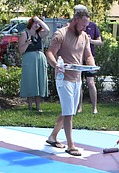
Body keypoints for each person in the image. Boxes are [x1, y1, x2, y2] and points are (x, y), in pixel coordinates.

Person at [44, 8, 94, 156]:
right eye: (83, 25)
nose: (85, 28)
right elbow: (50, 53)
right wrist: (56, 65)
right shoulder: (61, 34)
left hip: (77, 78)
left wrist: (92, 65)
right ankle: (71, 145)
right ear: (75, 20)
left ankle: (53, 136)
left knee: (69, 110)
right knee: (69, 112)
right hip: (63, 78)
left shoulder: (84, 36)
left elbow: (88, 55)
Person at [18, 16, 50, 113]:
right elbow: (20, 50)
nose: (37, 25)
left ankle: (38, 106)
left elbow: (48, 30)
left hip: (40, 59)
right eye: (35, 23)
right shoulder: (24, 33)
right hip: (29, 60)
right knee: (30, 81)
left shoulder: (39, 34)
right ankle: (30, 106)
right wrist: (27, 43)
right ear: (31, 23)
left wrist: (39, 20)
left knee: (39, 81)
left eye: (38, 24)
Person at [76, 4, 102, 114]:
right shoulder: (74, 26)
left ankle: (94, 107)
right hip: (78, 57)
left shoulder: (93, 26)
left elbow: (100, 42)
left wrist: (90, 41)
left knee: (91, 82)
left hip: (89, 57)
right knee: (78, 83)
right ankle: (79, 107)